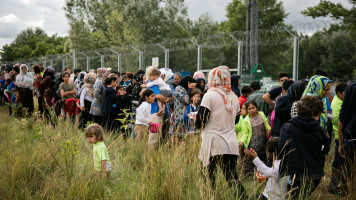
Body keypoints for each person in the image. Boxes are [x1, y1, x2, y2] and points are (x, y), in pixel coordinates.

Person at [196, 66, 245, 196]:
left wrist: (196, 120)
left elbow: (201, 121)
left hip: (213, 143)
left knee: (208, 178)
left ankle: (210, 197)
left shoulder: (210, 95)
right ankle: (243, 197)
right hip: (230, 143)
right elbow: (236, 120)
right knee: (232, 178)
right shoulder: (234, 97)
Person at [279, 96, 329, 199]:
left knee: (293, 196)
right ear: (313, 113)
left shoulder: (288, 127)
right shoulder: (319, 130)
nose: (318, 118)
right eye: (318, 114)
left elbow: (282, 148)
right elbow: (325, 149)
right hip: (315, 174)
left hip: (292, 174)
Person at [239, 100, 271, 175]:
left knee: (263, 159)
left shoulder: (261, 115)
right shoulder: (246, 120)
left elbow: (266, 124)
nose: (252, 110)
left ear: (257, 107)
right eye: (249, 109)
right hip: (253, 144)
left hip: (262, 143)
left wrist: (268, 129)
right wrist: (242, 141)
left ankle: (263, 176)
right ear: (247, 110)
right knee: (251, 162)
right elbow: (245, 133)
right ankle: (250, 177)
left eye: (253, 108)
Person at [338, 81, 356, 196]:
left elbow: (342, 116)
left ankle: (348, 193)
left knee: (349, 169)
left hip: (351, 135)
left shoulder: (351, 87)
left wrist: (340, 142)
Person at [329, 82, 347, 195]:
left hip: (342, 135)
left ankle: (341, 184)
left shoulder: (342, 101)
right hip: (338, 136)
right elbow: (335, 120)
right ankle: (333, 186)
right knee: (338, 161)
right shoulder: (337, 103)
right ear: (339, 93)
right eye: (346, 92)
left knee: (342, 162)